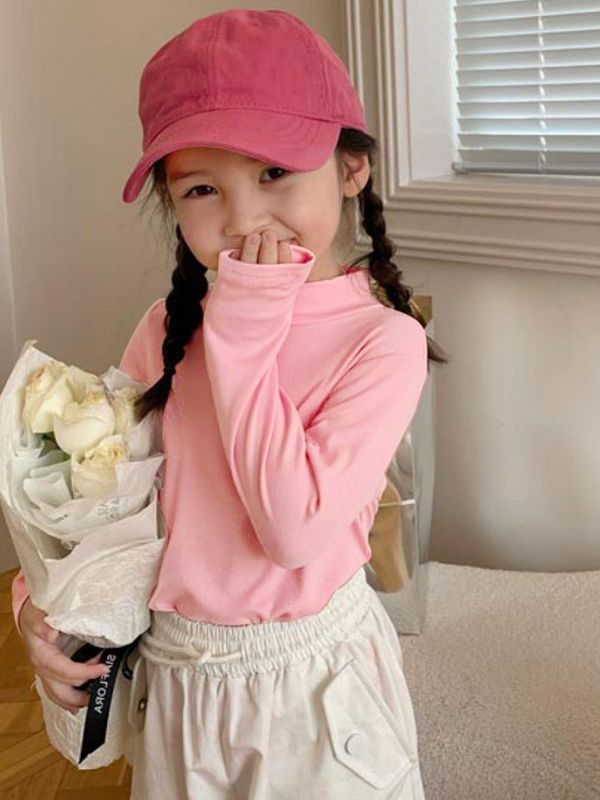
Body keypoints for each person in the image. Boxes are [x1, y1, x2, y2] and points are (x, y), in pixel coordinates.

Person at [11, 8, 448, 798]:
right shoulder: (166, 329)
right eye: (203, 189)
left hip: (312, 693)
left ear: (351, 168)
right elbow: (108, 495)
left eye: (274, 172)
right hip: (180, 683)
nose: (243, 219)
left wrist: (245, 333)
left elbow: (293, 529)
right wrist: (39, 604)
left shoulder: (384, 343)